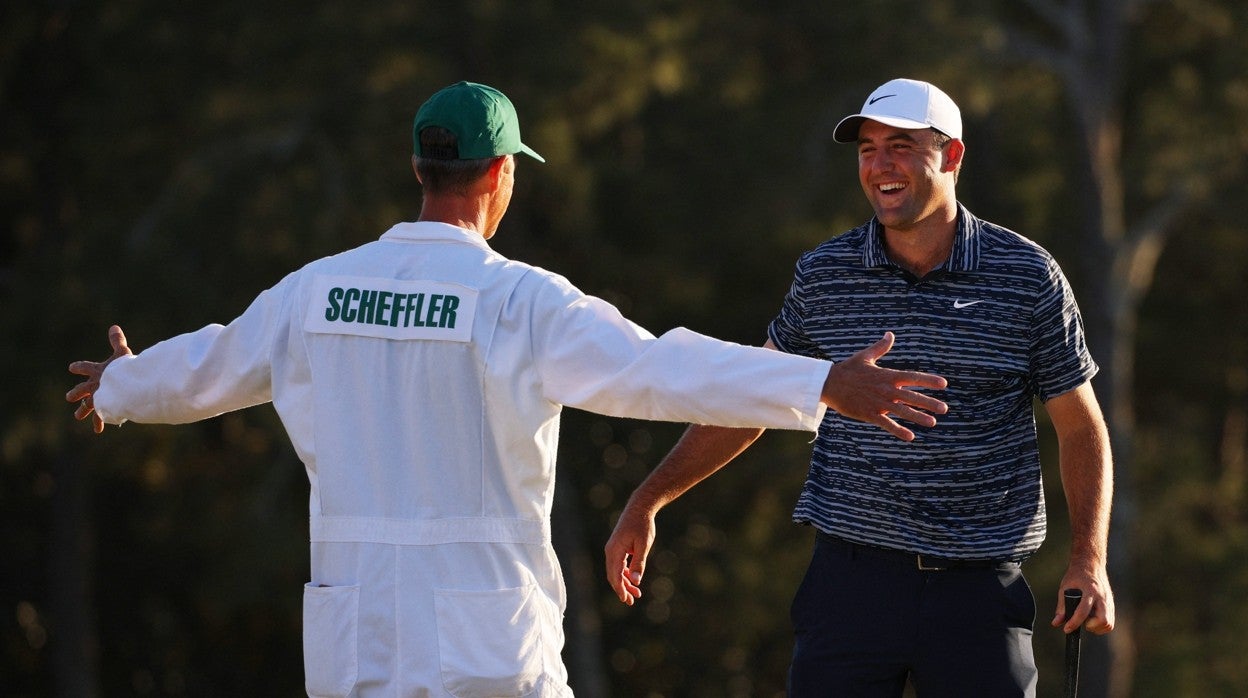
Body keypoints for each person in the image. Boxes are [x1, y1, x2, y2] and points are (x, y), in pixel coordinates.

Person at [66, 81, 950, 697]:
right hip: (486, 643)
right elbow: (661, 368)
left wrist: (120, 386)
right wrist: (823, 383)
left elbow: (206, 370)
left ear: (420, 170)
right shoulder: (518, 300)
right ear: (501, 175)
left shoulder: (315, 291)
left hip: (354, 635)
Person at [604, 78, 1116, 697]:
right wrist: (648, 500)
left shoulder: (1027, 276)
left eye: (901, 146)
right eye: (868, 149)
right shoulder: (826, 273)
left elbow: (1080, 424)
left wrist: (1089, 558)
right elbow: (752, 401)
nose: (880, 166)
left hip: (979, 595)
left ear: (952, 156)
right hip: (850, 587)